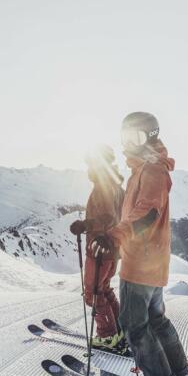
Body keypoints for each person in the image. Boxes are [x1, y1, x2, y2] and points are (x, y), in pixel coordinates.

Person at [91, 112, 188, 376]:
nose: (129, 144)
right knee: (156, 320)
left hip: (141, 261)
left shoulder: (151, 170)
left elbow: (147, 212)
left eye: (135, 138)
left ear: (150, 136)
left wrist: (115, 236)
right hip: (152, 260)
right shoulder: (147, 168)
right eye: (125, 137)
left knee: (133, 324)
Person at [70, 145, 125, 349]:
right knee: (103, 289)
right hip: (113, 248)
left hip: (100, 249)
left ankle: (107, 336)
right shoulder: (115, 184)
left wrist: (86, 225)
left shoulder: (104, 183)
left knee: (92, 292)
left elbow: (108, 217)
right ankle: (119, 329)